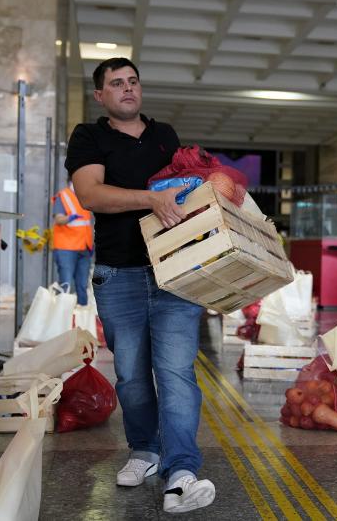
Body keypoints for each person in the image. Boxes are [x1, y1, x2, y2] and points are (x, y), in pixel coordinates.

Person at [65, 57, 215, 513]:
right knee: (131, 376)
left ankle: (183, 470)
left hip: (173, 270)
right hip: (118, 274)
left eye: (133, 81)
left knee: (175, 373)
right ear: (100, 96)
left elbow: (183, 189)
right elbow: (90, 194)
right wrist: (151, 199)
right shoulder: (88, 137)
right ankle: (145, 452)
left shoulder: (164, 134)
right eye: (117, 83)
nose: (128, 89)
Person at [51, 177, 93, 306]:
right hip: (66, 247)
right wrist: (70, 218)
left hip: (84, 247)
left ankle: (81, 320)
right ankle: (64, 319)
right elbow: (58, 219)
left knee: (82, 285)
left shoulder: (85, 197)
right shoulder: (63, 196)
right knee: (66, 285)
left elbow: (87, 224)